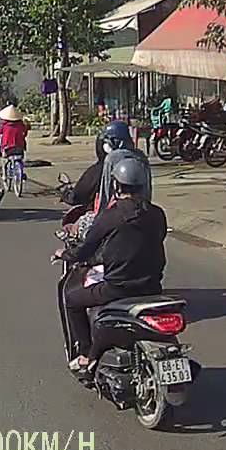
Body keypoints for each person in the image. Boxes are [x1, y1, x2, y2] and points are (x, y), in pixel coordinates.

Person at [60, 158, 167, 373]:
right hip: (152, 287)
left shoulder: (111, 216)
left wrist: (65, 254)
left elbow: (86, 248)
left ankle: (85, 354)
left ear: (116, 185)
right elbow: (157, 238)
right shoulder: (157, 213)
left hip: (117, 289)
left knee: (71, 299)